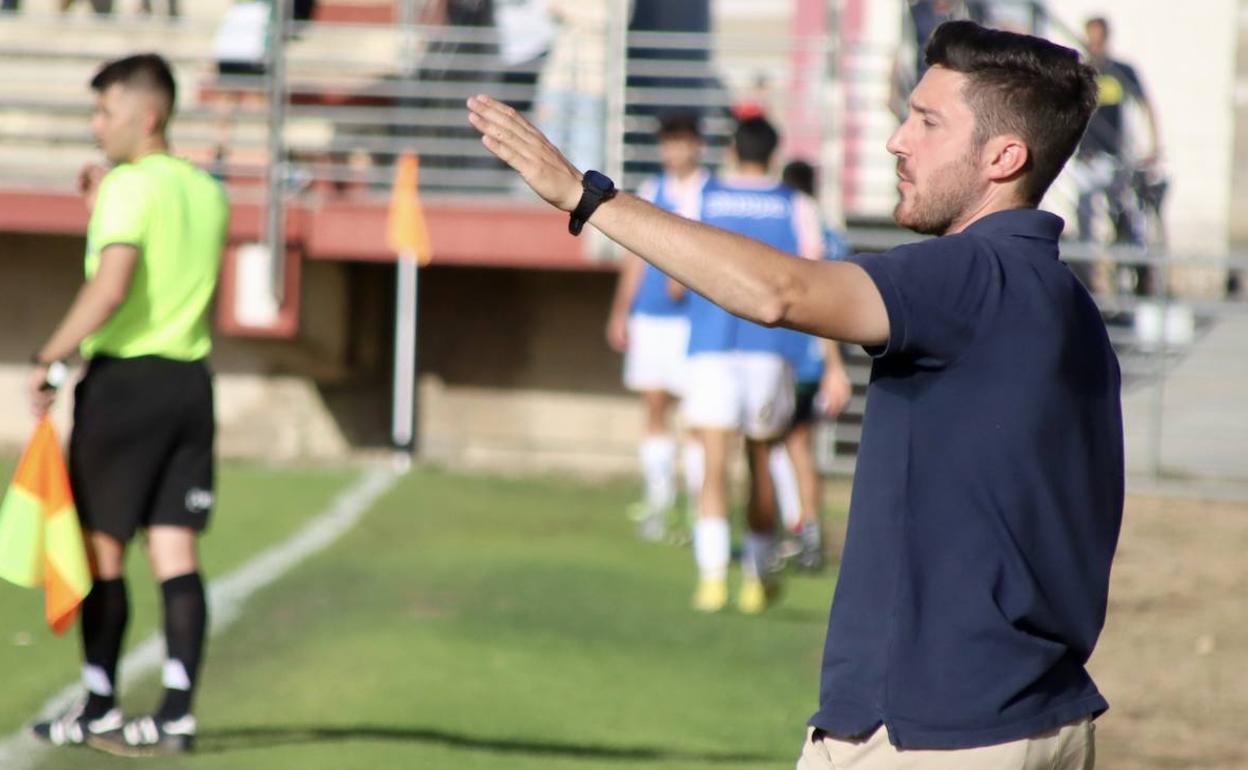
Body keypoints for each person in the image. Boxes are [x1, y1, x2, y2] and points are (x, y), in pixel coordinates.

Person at [469, 17, 1121, 768]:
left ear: (1004, 156)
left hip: (937, 730)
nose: (896, 141)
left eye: (927, 122)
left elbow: (781, 290)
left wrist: (586, 199)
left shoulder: (971, 275)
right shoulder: (1066, 302)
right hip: (1037, 714)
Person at [28, 53, 229, 757]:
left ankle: (99, 705)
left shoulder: (128, 188)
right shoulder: (207, 190)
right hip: (190, 386)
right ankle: (176, 711)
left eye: (105, 112)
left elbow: (112, 288)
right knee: (175, 548)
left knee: (100, 550)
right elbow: (170, 259)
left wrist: (51, 355)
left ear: (148, 115)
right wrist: (103, 204)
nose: (96, 125)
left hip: (126, 387)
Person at [676, 116, 825, 615]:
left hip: (712, 344)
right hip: (769, 347)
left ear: (734, 151)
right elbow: (815, 277)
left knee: (713, 460)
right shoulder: (796, 204)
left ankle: (711, 577)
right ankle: (755, 578)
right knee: (761, 459)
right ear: (774, 153)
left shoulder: (704, 194)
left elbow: (677, 275)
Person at [605, 112, 709, 542]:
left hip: (692, 321)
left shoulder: (708, 193)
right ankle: (659, 498)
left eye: (682, 142)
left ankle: (699, 505)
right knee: (653, 406)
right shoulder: (652, 190)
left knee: (698, 417)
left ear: (696, 146)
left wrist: (685, 273)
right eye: (668, 143)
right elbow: (635, 257)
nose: (675, 151)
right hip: (651, 318)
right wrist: (620, 311)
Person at [770, 159, 853, 572]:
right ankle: (805, 532)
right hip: (816, 358)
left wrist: (831, 364)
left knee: (789, 443)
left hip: (794, 356)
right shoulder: (834, 237)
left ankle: (801, 532)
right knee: (794, 443)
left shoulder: (793, 232)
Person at [1072, 15, 1163, 293]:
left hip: (1115, 157)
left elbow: (1146, 105)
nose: (1095, 45)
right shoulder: (1079, 71)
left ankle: (1123, 279)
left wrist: (1153, 147)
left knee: (1122, 217)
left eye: (1099, 39)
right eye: (1091, 38)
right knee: (1086, 216)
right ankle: (1090, 280)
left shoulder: (1121, 70)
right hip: (1086, 158)